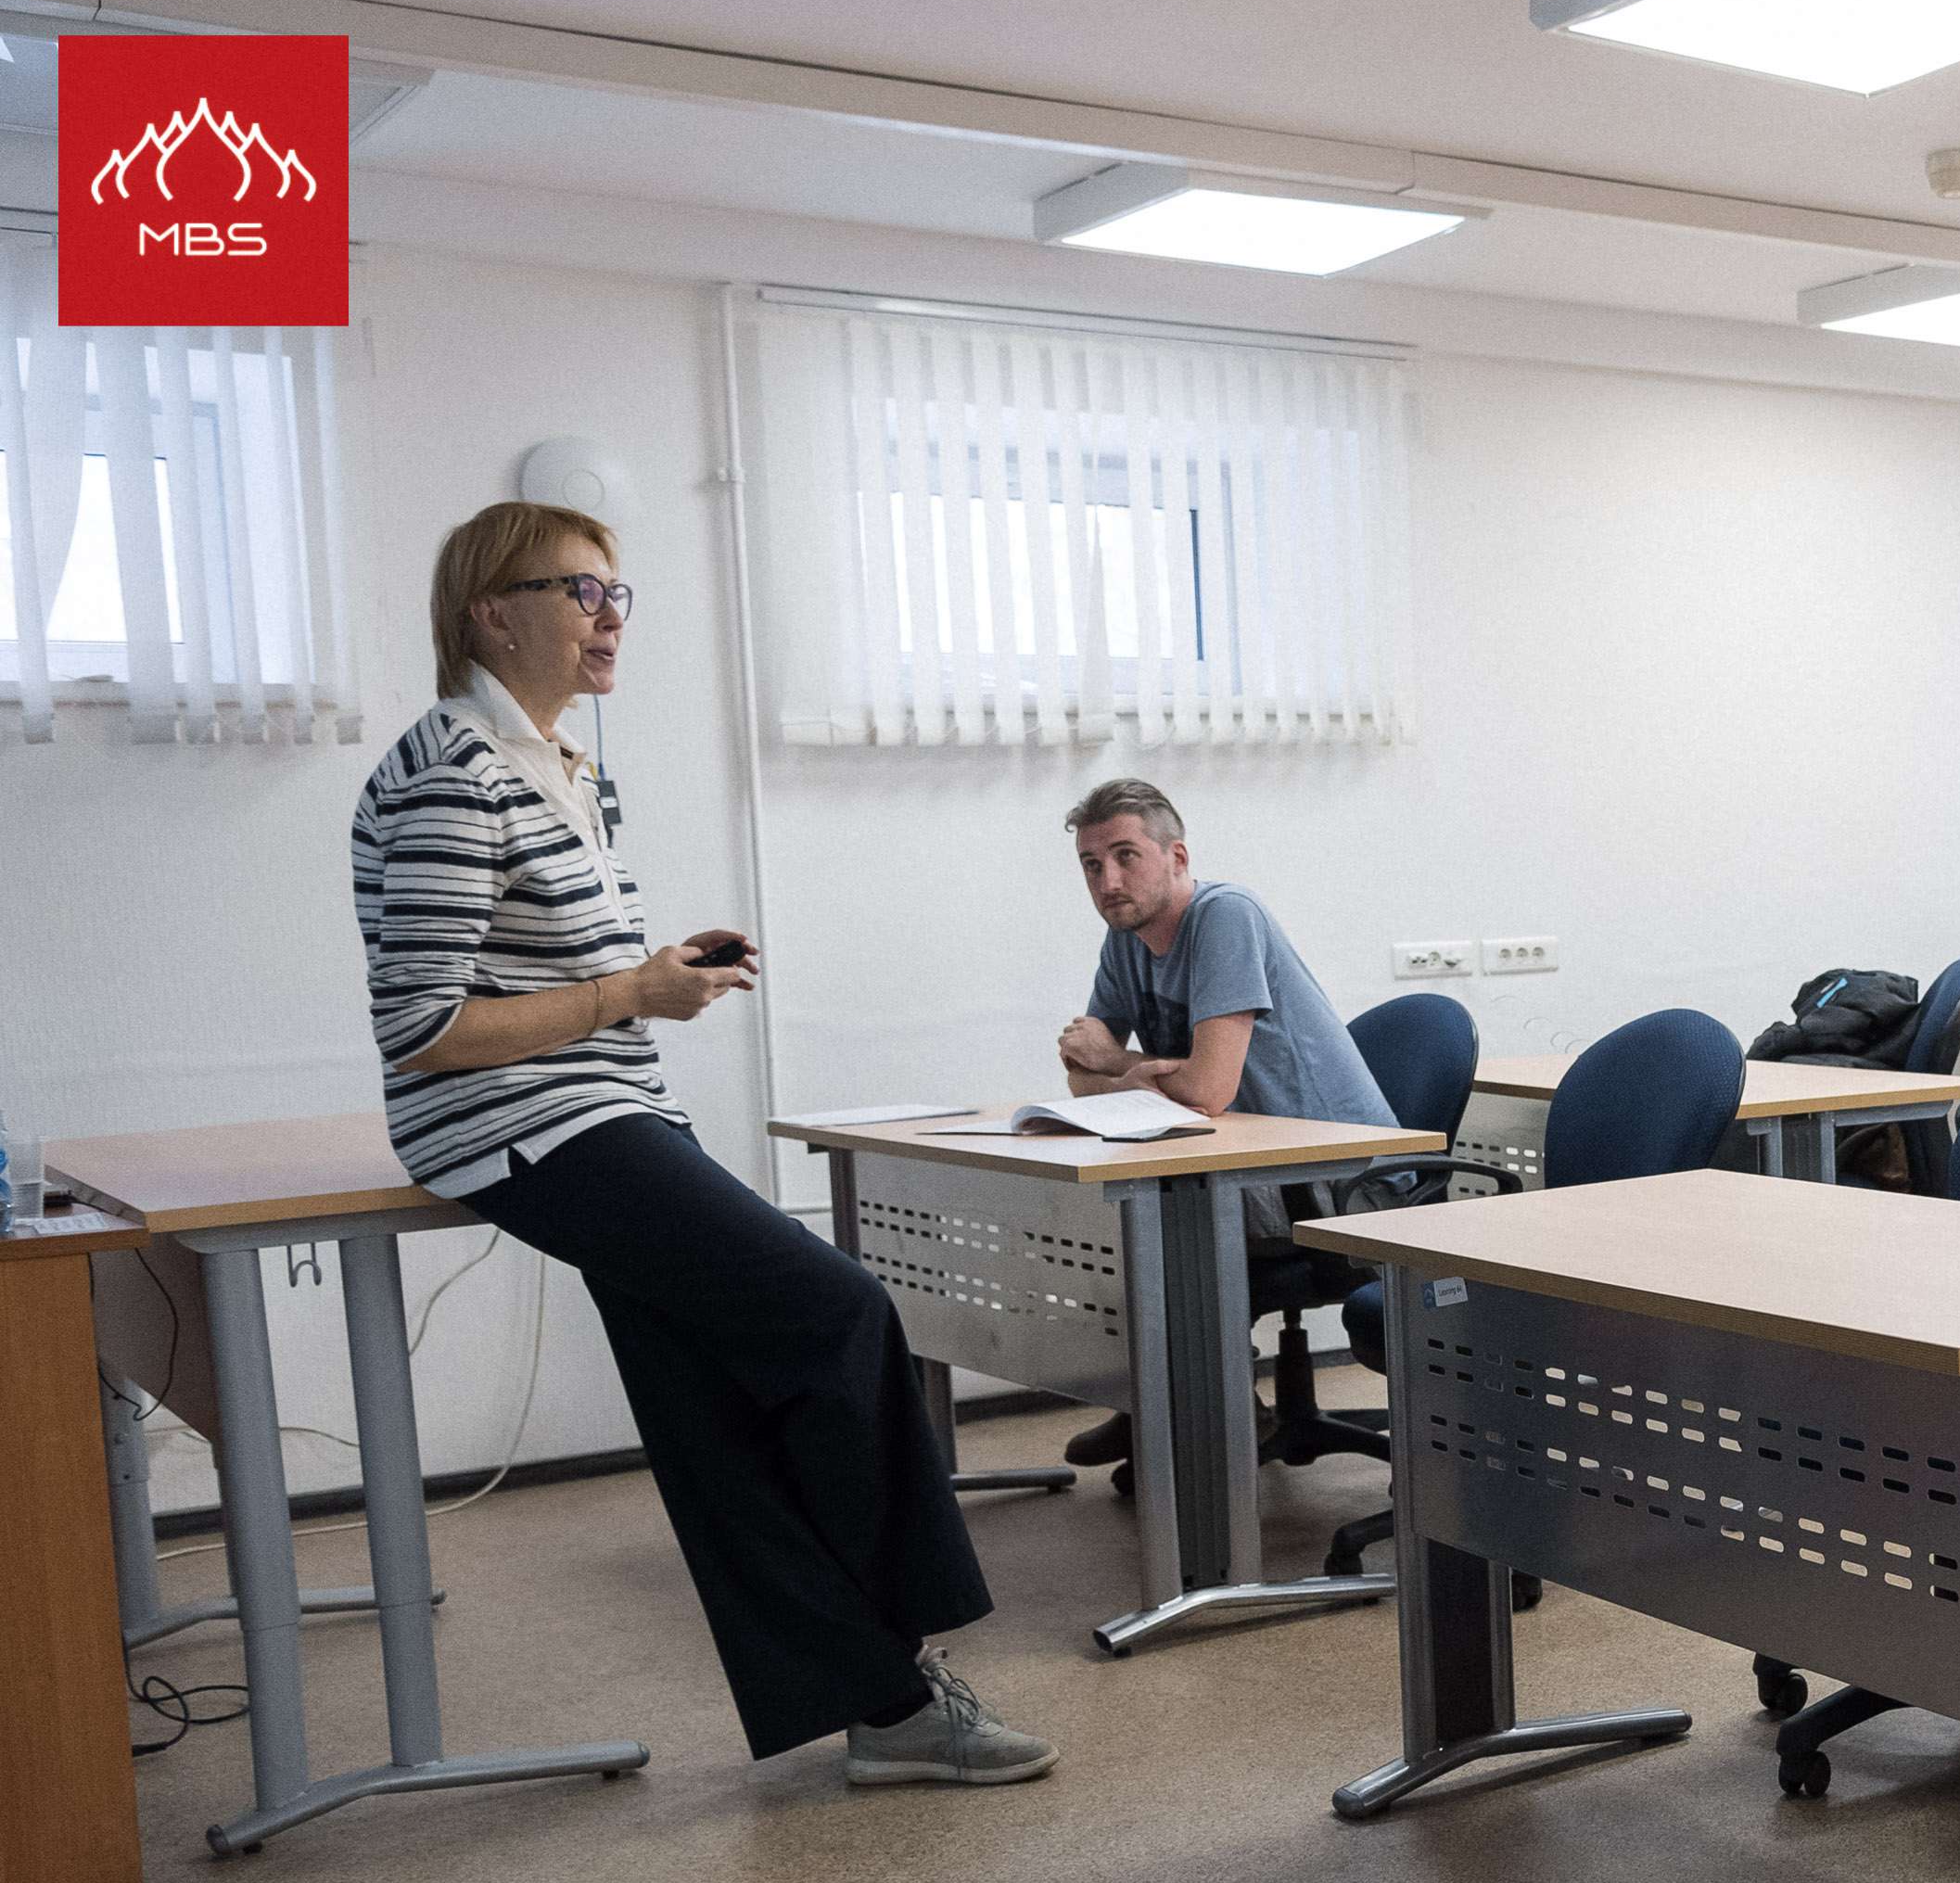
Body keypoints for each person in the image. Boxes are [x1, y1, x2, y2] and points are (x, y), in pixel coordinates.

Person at [350, 503, 1052, 1788]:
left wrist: (655, 973)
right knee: (838, 1310)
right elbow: (426, 1029)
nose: (609, 616)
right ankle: (912, 1635)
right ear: (490, 613)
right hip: (528, 1122)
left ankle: (889, 1710)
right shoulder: (458, 772)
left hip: (593, 1104)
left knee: (708, 1409)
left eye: (617, 593)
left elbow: (538, 968)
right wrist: (635, 992)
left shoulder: (553, 764)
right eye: (578, 591)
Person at [1053, 779, 1396, 1478]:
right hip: (1246, 1168)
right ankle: (1168, 1400)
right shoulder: (1125, 940)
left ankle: (1195, 1408)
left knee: (1155, 1231)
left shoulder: (1224, 916)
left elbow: (1205, 1091)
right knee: (1107, 1220)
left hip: (1338, 1179)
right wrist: (1128, 1076)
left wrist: (1118, 1064)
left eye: (1126, 856)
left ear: (1176, 856)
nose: (1108, 881)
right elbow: (1079, 1079)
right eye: (1092, 864)